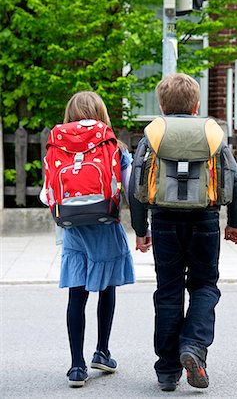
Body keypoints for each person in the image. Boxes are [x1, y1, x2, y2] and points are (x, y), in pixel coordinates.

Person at [129, 73, 237, 392]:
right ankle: (193, 348)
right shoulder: (212, 133)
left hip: (164, 220)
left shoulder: (154, 134)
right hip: (205, 220)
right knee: (205, 286)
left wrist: (140, 229)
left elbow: (135, 183)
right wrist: (234, 223)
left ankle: (167, 372)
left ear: (162, 105)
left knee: (168, 291)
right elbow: (235, 181)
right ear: (196, 105)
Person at [40, 91, 135, 388]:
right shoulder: (114, 146)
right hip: (105, 227)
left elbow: (47, 194)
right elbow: (130, 188)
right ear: (101, 113)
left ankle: (76, 367)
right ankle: (102, 352)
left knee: (76, 296)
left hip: (73, 232)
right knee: (107, 290)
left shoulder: (57, 145)